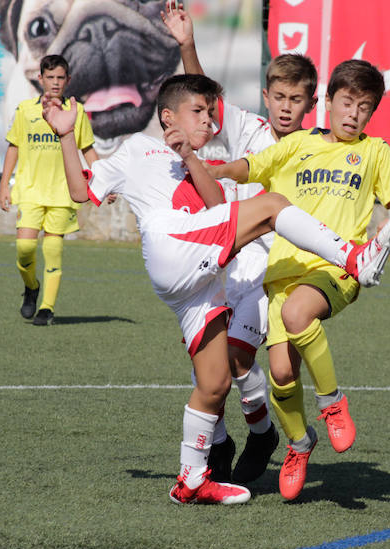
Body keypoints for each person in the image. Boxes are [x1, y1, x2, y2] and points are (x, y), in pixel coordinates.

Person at [42, 73, 390, 504]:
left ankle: (191, 479)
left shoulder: (190, 158)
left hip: (196, 282)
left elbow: (217, 207)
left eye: (211, 115)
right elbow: (80, 190)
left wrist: (191, 158)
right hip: (174, 246)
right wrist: (65, 135)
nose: (209, 122)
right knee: (271, 207)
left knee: (214, 383)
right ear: (168, 116)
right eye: (199, 112)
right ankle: (353, 257)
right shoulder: (138, 147)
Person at [206, 59, 390, 500]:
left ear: (372, 113)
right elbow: (252, 166)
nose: (354, 114)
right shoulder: (298, 144)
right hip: (281, 274)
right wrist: (217, 171)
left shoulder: (375, 152)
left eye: (364, 107)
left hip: (335, 270)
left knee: (301, 312)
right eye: (347, 103)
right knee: (280, 372)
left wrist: (388, 235)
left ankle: (332, 402)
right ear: (330, 102)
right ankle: (300, 443)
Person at [162, 1, 318, 485]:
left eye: (297, 99)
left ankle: (260, 433)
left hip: (270, 268)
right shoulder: (247, 128)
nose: (287, 106)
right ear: (266, 96)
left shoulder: (315, 149)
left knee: (235, 361)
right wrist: (187, 43)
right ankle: (236, 437)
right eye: (280, 96)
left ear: (310, 105)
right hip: (223, 254)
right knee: (207, 366)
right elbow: (204, 99)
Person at [0, 54, 103, 326]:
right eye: (50, 77)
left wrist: (104, 181)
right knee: (24, 248)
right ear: (40, 78)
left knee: (54, 248)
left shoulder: (75, 112)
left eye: (60, 78)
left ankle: (47, 308)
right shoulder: (25, 110)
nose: (55, 82)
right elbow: (14, 147)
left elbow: (87, 148)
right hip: (31, 191)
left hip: (63, 192)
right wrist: (3, 186)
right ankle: (31, 286)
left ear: (68, 80)